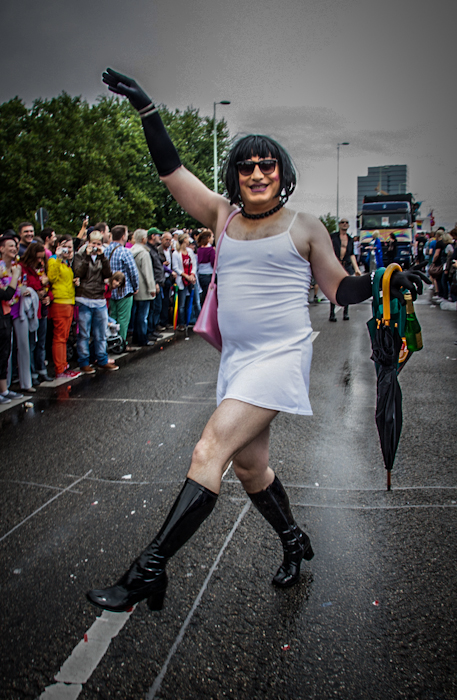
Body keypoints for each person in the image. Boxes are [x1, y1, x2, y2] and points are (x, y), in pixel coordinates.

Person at [87, 69, 428, 614]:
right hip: (237, 359)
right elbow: (171, 171)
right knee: (249, 468)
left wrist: (385, 279)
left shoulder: (305, 226)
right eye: (245, 166)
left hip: (281, 358)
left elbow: (339, 289)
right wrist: (149, 111)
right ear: (235, 176)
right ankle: (294, 540)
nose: (256, 173)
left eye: (266, 164)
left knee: (209, 450)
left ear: (282, 172)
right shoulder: (221, 217)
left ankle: (147, 571)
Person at [74, 231, 118, 373]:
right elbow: (79, 273)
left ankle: (102, 359)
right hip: (84, 298)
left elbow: (108, 274)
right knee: (84, 334)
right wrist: (87, 257)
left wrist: (102, 257)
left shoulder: (102, 257)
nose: (95, 246)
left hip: (99, 298)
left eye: (98, 243)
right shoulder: (80, 255)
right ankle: (84, 361)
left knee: (101, 333)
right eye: (93, 243)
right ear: (88, 243)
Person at [47, 236, 81, 379]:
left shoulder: (66, 263)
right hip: (60, 303)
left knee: (64, 337)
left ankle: (64, 366)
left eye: (70, 247)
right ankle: (60, 369)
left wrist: (74, 282)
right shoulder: (54, 260)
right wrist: (59, 257)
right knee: (60, 338)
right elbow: (52, 278)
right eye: (65, 246)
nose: (68, 250)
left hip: (68, 301)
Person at [19, 242, 53, 382]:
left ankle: (41, 370)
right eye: (37, 258)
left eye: (41, 258)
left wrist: (48, 297)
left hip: (42, 310)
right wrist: (36, 292)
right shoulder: (22, 268)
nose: (39, 261)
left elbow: (48, 288)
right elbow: (23, 286)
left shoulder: (41, 269)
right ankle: (32, 374)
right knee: (31, 343)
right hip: (30, 311)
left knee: (41, 343)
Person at [104, 225, 139, 345]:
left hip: (109, 289)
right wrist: (136, 287)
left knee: (112, 317)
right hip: (124, 289)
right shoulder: (125, 252)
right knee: (123, 319)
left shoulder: (105, 250)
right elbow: (133, 272)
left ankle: (112, 340)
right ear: (123, 236)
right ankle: (121, 342)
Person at [0, 236, 23, 404]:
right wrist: (15, 276)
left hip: (7, 313)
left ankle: (4, 390)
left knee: (5, 353)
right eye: (10, 246)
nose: (14, 249)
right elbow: (7, 293)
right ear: (1, 249)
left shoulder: (13, 267)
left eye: (15, 246)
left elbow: (14, 295)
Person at [329, 218, 361, 322]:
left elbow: (352, 255)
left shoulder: (350, 239)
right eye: (342, 222)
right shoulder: (333, 237)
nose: (344, 224)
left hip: (346, 266)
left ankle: (345, 312)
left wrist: (356, 269)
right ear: (339, 225)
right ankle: (332, 313)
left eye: (346, 222)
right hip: (335, 265)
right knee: (334, 289)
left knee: (347, 289)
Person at [129, 229, 156, 346]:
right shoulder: (144, 253)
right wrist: (152, 288)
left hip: (134, 287)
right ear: (144, 239)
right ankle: (142, 338)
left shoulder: (131, 251)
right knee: (143, 315)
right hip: (144, 288)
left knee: (136, 314)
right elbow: (147, 272)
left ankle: (136, 337)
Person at [172, 231, 197, 331]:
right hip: (181, 279)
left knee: (191, 301)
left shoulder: (190, 252)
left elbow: (194, 264)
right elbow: (176, 267)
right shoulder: (176, 253)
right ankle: (181, 323)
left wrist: (192, 275)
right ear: (183, 240)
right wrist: (186, 276)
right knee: (181, 304)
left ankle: (189, 320)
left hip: (190, 278)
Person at [157, 231, 176, 327]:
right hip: (161, 279)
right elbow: (157, 264)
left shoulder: (170, 251)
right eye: (166, 239)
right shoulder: (158, 250)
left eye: (170, 240)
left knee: (166, 302)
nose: (168, 242)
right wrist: (163, 266)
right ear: (162, 240)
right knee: (160, 302)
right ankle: (159, 323)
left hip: (169, 279)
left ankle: (165, 321)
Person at [196, 229, 215, 305]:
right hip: (209, 274)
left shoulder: (199, 249)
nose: (213, 239)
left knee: (203, 294)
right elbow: (213, 262)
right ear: (208, 238)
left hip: (201, 274)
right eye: (212, 237)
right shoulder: (210, 250)